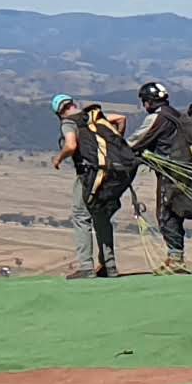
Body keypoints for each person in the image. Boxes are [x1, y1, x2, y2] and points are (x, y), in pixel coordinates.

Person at [118, 79, 192, 271]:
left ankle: (176, 259)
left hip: (170, 174)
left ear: (149, 101)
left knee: (166, 213)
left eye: (145, 101)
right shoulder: (175, 115)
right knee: (173, 213)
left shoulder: (158, 118)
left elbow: (136, 142)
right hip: (183, 172)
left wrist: (115, 150)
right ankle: (174, 257)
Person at [53, 94, 130, 278]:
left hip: (88, 175)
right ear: (73, 104)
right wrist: (116, 146)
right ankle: (109, 265)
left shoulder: (69, 123)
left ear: (59, 113)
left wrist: (58, 158)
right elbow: (121, 118)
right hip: (108, 174)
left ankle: (86, 266)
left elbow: (71, 145)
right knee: (101, 216)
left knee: (81, 216)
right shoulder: (94, 117)